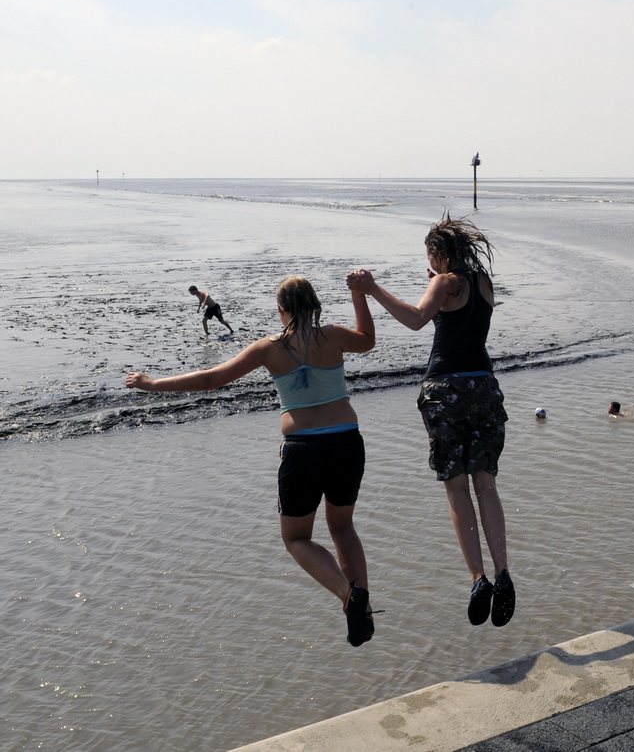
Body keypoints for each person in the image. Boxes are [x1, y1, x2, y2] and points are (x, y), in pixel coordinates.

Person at [126, 275, 377, 647]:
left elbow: (212, 379)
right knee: (342, 527)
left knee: (296, 538)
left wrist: (153, 383)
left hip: (303, 450)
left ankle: (347, 594)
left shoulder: (268, 348)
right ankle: (363, 607)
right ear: (314, 305)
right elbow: (368, 341)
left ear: (281, 310)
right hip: (346, 442)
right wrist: (359, 295)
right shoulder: (334, 335)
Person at [347, 216, 513, 628]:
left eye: (431, 257)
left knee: (457, 489)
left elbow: (416, 318)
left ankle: (478, 579)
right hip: (485, 387)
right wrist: (440, 281)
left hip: (446, 391)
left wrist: (372, 288)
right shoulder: (483, 283)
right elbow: (462, 318)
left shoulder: (445, 283)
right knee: (486, 485)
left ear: (438, 254)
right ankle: (504, 573)